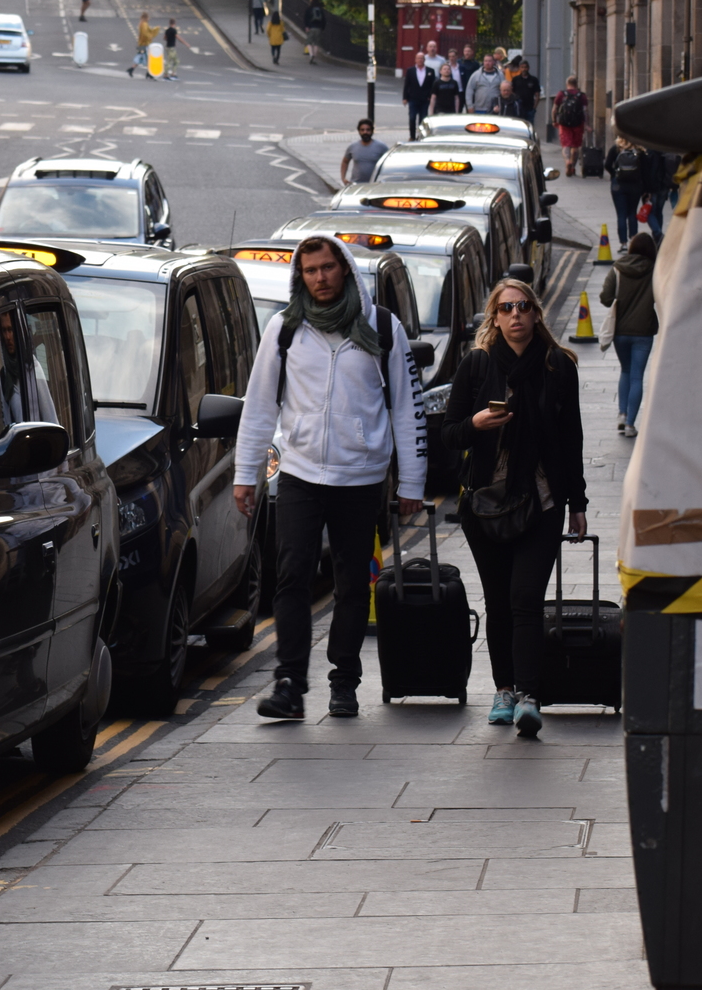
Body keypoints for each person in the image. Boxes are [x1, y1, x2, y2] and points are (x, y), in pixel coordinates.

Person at [234, 235, 427, 720]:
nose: (319, 278)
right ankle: (290, 684)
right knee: (292, 578)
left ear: (344, 269)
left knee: (351, 586)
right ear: (300, 275)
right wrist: (246, 475)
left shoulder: (382, 327)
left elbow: (407, 408)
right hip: (299, 473)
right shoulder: (284, 329)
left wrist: (413, 485)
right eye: (309, 270)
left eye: (327, 268)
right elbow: (260, 407)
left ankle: (344, 681)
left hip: (360, 478)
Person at [443, 280, 587, 739]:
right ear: (495, 316)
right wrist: (477, 423)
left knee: (526, 598)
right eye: (507, 308)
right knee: (498, 601)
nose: (516, 315)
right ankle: (503, 690)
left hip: (542, 499)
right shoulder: (477, 365)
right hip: (486, 503)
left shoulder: (557, 366)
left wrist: (577, 504)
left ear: (536, 313)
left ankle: (529, 695)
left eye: (524, 306)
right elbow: (448, 433)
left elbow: (573, 440)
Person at [599, 231, 657, 437]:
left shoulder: (618, 269)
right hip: (644, 331)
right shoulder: (655, 270)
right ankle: (631, 425)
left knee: (625, 370)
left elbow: (605, 298)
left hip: (620, 331)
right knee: (636, 377)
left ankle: (622, 414)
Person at [605, 135, 647, 249]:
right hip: (635, 185)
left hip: (618, 185)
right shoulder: (639, 150)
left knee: (621, 214)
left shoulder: (616, 148)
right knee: (632, 213)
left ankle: (623, 244)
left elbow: (607, 164)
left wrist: (615, 174)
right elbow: (644, 170)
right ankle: (633, 241)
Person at [552, 76, 588, 176]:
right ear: (577, 84)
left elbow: (554, 109)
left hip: (564, 124)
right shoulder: (581, 96)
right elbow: (585, 111)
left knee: (566, 145)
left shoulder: (561, 94)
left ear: (567, 84)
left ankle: (567, 161)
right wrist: (586, 124)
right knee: (575, 146)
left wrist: (554, 120)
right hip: (578, 124)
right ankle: (572, 165)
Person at [340, 119, 388, 185]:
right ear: (359, 131)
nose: (365, 132)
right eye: (362, 130)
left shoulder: (381, 147)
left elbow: (389, 162)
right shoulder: (353, 147)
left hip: (375, 184)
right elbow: (345, 161)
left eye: (368, 130)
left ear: (372, 131)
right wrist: (343, 178)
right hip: (356, 184)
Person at [401, 51, 434, 139]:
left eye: (422, 58)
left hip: (424, 99)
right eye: (418, 58)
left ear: (424, 60)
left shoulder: (430, 71)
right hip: (413, 99)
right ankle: (412, 136)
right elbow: (406, 85)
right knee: (412, 118)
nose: (420, 60)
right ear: (415, 60)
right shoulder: (410, 70)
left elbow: (432, 86)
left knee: (422, 119)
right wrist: (405, 98)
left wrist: (430, 97)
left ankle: (421, 136)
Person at [512, 58, 542, 124]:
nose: (524, 69)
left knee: (529, 126)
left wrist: (534, 107)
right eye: (522, 67)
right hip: (518, 108)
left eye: (525, 67)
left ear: (528, 68)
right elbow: (512, 93)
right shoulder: (515, 79)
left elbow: (537, 94)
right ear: (519, 68)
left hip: (529, 108)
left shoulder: (534, 80)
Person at [129, 11, 155, 77]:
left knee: (140, 57)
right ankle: (149, 73)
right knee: (148, 58)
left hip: (141, 44)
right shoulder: (144, 24)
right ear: (146, 17)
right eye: (148, 17)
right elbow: (145, 34)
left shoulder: (141, 24)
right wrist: (150, 37)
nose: (149, 19)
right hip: (144, 44)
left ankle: (131, 69)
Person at [304, 0, 325, 64]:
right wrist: (322, 28)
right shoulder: (320, 10)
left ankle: (311, 54)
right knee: (316, 43)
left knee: (308, 42)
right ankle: (314, 57)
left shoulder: (309, 9)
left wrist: (307, 26)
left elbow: (305, 18)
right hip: (318, 28)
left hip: (311, 28)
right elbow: (324, 20)